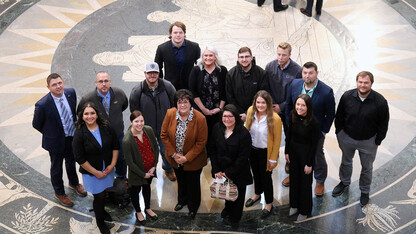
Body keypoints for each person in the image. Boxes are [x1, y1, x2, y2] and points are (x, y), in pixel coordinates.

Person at [332, 71, 389, 206]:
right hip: (347, 138)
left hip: (368, 141)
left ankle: (364, 191)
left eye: (366, 83)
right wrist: (339, 133)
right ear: (357, 82)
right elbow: (339, 116)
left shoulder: (380, 102)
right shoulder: (347, 96)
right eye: (360, 82)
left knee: (367, 167)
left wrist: (377, 140)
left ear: (371, 84)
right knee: (346, 162)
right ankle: (344, 182)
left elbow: (384, 123)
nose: (362, 85)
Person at [32, 73, 86, 207]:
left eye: (60, 83)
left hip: (71, 136)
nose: (58, 87)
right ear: (48, 87)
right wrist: (51, 134)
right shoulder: (42, 104)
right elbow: (36, 124)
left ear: (63, 83)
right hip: (55, 141)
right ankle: (59, 192)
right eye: (54, 85)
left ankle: (74, 183)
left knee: (71, 161)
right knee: (56, 167)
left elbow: (74, 113)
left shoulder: (70, 93)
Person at [284, 62, 335, 196]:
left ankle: (319, 180)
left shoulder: (326, 91)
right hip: (296, 130)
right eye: (305, 73)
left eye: (311, 73)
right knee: (295, 153)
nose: (307, 76)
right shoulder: (295, 84)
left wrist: (323, 131)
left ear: (316, 73)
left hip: (314, 132)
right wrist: (290, 123)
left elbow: (330, 114)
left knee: (317, 155)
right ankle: (294, 175)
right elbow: (289, 104)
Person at [160, 89, 208, 219]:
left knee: (193, 183)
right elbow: (164, 135)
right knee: (181, 181)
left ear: (190, 103)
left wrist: (187, 158)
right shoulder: (170, 114)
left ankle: (193, 206)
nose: (182, 105)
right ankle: (182, 201)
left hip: (193, 160)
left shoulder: (200, 118)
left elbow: (201, 141)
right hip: (175, 158)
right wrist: (174, 154)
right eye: (179, 102)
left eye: (185, 102)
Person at [72, 102, 119, 234]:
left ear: (97, 114)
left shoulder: (106, 126)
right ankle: (100, 221)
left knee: (104, 192)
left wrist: (113, 164)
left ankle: (101, 210)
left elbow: (115, 145)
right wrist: (96, 172)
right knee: (98, 196)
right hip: (92, 171)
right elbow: (79, 158)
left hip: (107, 167)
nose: (90, 116)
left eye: (92, 113)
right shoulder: (80, 133)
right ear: (82, 116)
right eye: (86, 114)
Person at [129, 62, 177, 181]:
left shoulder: (168, 87)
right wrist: (138, 128)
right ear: (145, 74)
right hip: (145, 129)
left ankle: (168, 169)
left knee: (166, 151)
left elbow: (175, 105)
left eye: (154, 73)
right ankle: (147, 170)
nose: (152, 76)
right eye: (149, 73)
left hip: (164, 127)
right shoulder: (137, 90)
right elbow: (134, 112)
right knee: (146, 153)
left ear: (158, 74)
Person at [78, 71, 128, 178]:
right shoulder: (88, 99)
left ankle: (122, 178)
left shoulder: (119, 93)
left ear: (110, 82)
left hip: (118, 135)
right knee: (103, 159)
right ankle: (106, 180)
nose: (104, 84)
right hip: (100, 138)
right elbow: (81, 115)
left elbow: (124, 105)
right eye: (101, 81)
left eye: (106, 81)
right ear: (96, 83)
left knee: (121, 158)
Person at [209, 104, 253, 226]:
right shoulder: (217, 128)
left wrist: (228, 173)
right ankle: (227, 209)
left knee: (238, 198)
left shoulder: (243, 134)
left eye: (230, 116)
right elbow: (212, 150)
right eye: (225, 116)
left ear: (236, 117)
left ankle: (235, 218)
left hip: (238, 172)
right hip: (221, 170)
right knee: (227, 193)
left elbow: (243, 157)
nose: (227, 119)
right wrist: (217, 169)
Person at [244, 90, 282, 218]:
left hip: (266, 153)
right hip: (252, 150)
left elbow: (277, 140)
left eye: (263, 103)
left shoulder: (275, 118)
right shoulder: (251, 111)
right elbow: (247, 129)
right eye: (258, 102)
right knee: (256, 174)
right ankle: (257, 194)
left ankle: (269, 203)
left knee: (266, 178)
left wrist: (273, 159)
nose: (260, 105)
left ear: (268, 104)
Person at [285, 94, 320, 221]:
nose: (299, 108)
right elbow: (288, 135)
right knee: (294, 179)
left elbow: (314, 145)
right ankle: (294, 205)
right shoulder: (292, 115)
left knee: (305, 183)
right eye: (298, 104)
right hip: (293, 153)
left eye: (303, 105)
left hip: (306, 155)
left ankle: (304, 210)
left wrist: (309, 164)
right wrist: (287, 151)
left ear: (308, 107)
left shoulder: (313, 122)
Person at [188, 46, 227, 155]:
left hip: (217, 111)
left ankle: (215, 155)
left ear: (215, 57)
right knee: (202, 134)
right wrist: (203, 109)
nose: (208, 58)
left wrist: (220, 108)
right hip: (201, 110)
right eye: (206, 55)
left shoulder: (222, 70)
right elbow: (193, 92)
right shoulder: (196, 70)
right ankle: (204, 155)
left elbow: (225, 91)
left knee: (217, 134)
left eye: (211, 55)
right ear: (202, 57)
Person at [123, 111, 159, 225]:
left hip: (150, 170)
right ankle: (138, 211)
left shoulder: (148, 130)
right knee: (135, 191)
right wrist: (143, 174)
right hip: (137, 173)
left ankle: (147, 208)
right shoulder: (127, 140)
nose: (139, 124)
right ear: (131, 122)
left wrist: (154, 166)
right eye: (136, 121)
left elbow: (156, 149)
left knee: (147, 188)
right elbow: (130, 162)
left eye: (141, 121)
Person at [266, 42, 302, 136]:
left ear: (290, 55)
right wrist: (272, 105)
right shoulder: (269, 67)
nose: (281, 58)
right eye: (279, 54)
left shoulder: (298, 70)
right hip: (272, 108)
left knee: (290, 137)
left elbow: (297, 94)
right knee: (271, 137)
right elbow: (266, 88)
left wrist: (281, 107)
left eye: (284, 55)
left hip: (289, 110)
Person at [226, 46, 268, 122]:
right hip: (238, 115)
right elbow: (230, 98)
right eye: (241, 57)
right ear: (238, 59)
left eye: (247, 56)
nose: (244, 59)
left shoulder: (261, 73)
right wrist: (240, 113)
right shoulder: (231, 74)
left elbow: (263, 96)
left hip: (257, 114)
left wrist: (248, 113)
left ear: (251, 58)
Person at [155, 21, 201, 90]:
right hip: (169, 87)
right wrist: (160, 83)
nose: (178, 35)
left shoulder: (194, 47)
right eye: (175, 32)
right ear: (171, 34)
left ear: (184, 34)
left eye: (180, 32)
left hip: (189, 86)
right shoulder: (162, 48)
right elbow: (157, 68)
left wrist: (197, 82)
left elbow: (200, 66)